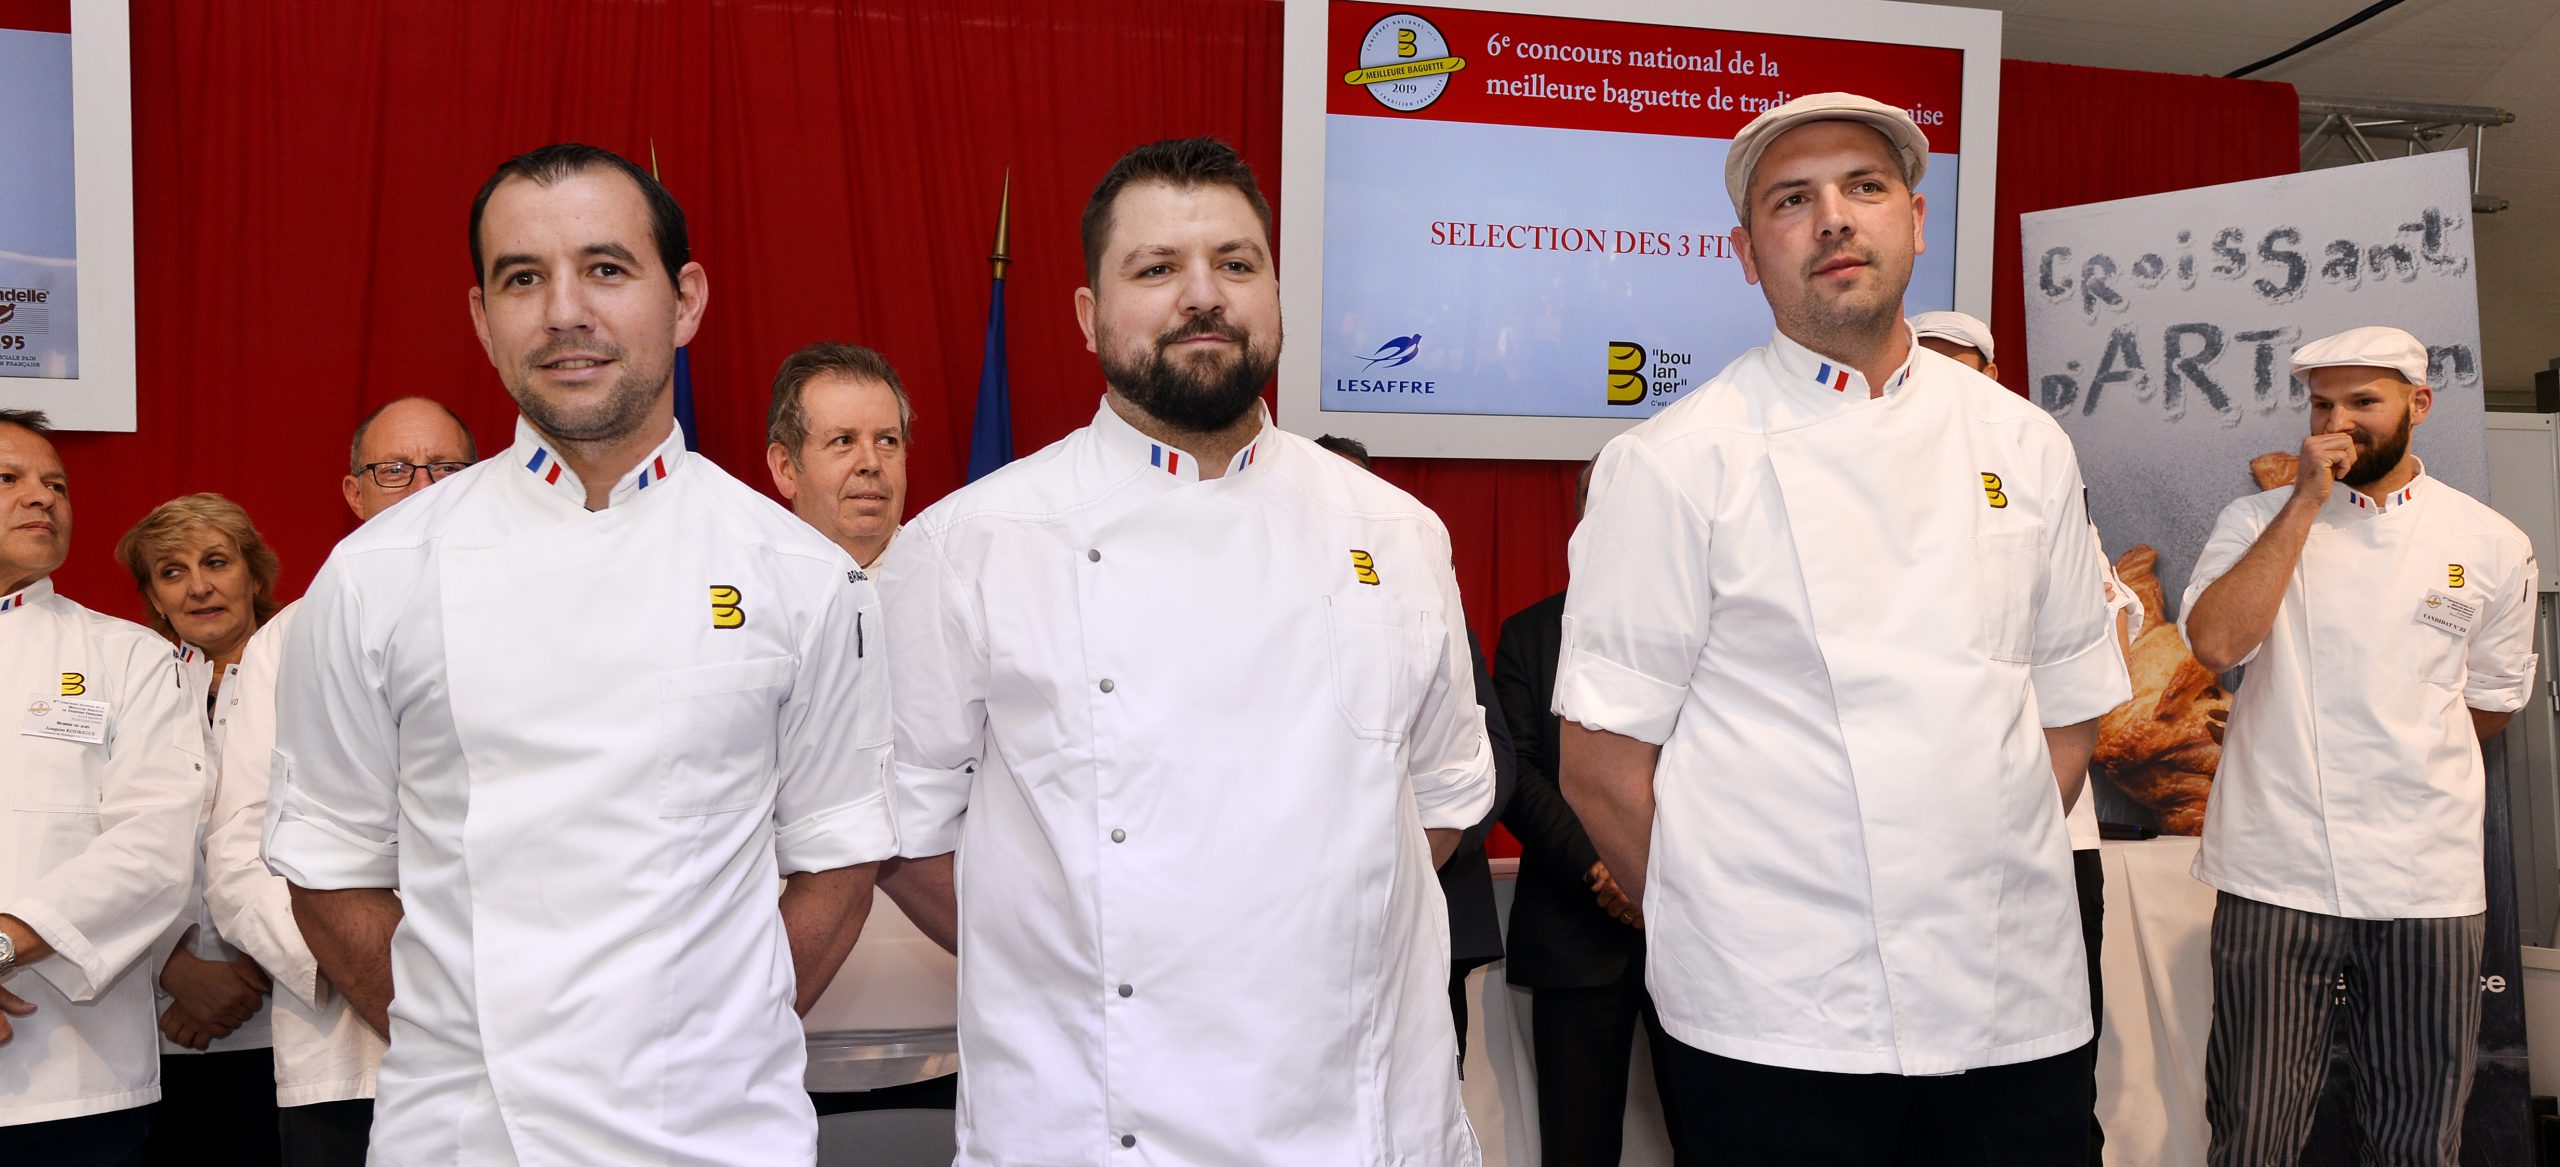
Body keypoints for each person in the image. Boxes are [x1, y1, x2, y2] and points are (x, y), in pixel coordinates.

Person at [263, 143, 898, 1164]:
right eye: (523, 278)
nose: (565, 311)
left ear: (684, 299)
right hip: (464, 1137)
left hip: (721, 1135)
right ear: (481, 317)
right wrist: (461, 1037)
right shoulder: (375, 575)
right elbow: (330, 866)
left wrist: (706, 1040)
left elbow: (836, 858)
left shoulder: (801, 574)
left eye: (606, 269)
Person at [880, 137, 1495, 1165]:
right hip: (1093, 1119)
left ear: (1277, 296)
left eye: (1236, 264)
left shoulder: (1396, 532)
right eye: (1156, 269)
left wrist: (1307, 933)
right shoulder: (965, 545)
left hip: (1361, 1118)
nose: (1201, 296)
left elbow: (1435, 801)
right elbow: (906, 832)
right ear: (1088, 317)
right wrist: (1075, 956)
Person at [1555, 94, 2129, 1164]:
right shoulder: (1675, 461)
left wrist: (1972, 879)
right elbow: (1599, 764)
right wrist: (1727, 933)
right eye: (1791, 200)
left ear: (1914, 218)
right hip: (1773, 1023)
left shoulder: (2026, 443)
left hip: (2011, 1000)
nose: (1832, 219)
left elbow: (2064, 711)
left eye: (1862, 189)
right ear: (1745, 252)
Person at [2182, 325, 2536, 1166]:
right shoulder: (2256, 518)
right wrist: (2302, 500)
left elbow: (2488, 706)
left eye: (2364, 402)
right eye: (2322, 403)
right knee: (2253, 1128)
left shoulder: (2490, 542)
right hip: (2276, 864)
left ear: (2418, 405)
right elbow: (2216, 644)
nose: (2338, 422)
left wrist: (2408, 757)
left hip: (2427, 874)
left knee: (2418, 1133)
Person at [196, 397, 476, 1166]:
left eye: (445, 469)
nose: (421, 489)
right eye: (393, 471)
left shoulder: (544, 619)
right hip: (347, 1054)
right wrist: (379, 983)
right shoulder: (289, 638)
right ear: (354, 493)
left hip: (527, 1041)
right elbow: (241, 850)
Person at [1910, 308, 2126, 1165]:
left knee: (2053, 1070)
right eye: (1929, 369)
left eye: (1964, 370)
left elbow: (2107, 628)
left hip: (2053, 840)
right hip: (1920, 849)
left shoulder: (2042, 487)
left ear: (1992, 378)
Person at [0, 408, 206, 1163]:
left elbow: (157, 842)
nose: (43, 498)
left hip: (69, 1075)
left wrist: (3, 942)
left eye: (56, 483)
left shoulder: (128, 656)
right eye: (9, 479)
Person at [763, 341, 961, 1115]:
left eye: (888, 440)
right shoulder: (731, 608)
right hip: (776, 1051)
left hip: (958, 1040)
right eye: (841, 441)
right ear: (785, 468)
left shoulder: (971, 594)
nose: (870, 463)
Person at [1495, 460, 1690, 1167]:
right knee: (1577, 1147)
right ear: (1581, 520)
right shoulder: (1529, 634)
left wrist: (1653, 871)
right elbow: (1518, 774)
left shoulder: (1710, 632)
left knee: (1722, 1136)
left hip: (1697, 931)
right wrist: (1603, 871)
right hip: (1575, 931)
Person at [1313, 433, 1517, 1067]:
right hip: (1300, 928)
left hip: (1429, 916)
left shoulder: (1430, 616)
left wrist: (1423, 851)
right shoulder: (1258, 626)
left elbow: (1494, 761)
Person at [114, 494, 286, 1164]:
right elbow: (112, 843)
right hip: (160, 1020)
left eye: (216, 561)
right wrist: (175, 968)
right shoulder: (131, 689)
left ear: (255, 575)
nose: (200, 585)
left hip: (289, 1013)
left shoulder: (310, 670)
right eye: (172, 571)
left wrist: (254, 970)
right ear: (154, 598)